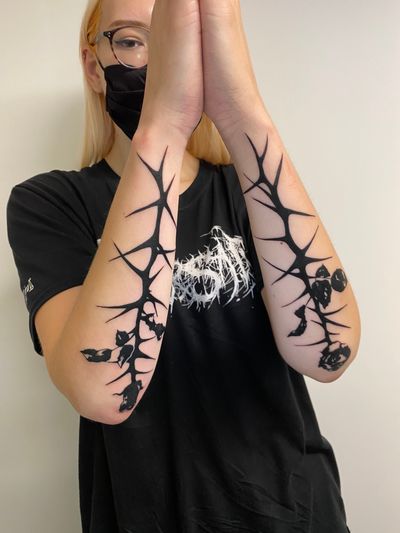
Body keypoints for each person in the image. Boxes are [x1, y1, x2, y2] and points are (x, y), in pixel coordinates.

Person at [6, 0, 360, 531]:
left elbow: (329, 353)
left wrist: (243, 113)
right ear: (92, 65)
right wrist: (164, 127)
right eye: (132, 40)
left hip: (296, 513)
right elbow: (103, 389)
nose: (161, 61)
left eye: (182, 42)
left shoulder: (245, 189)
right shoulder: (50, 204)